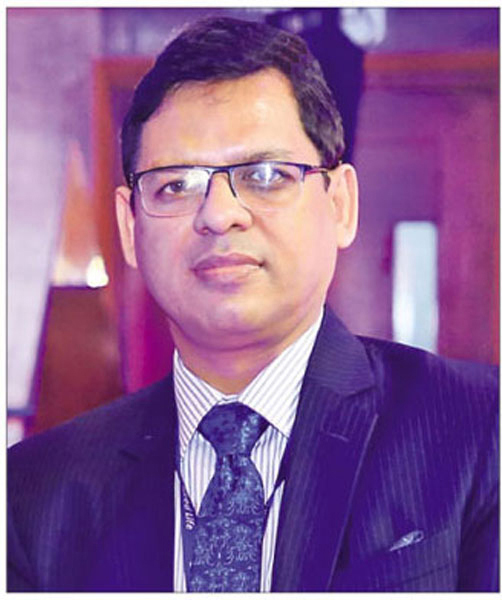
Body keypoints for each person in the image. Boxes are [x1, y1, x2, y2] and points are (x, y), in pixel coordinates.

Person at [8, 16, 498, 592]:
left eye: (265, 175)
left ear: (340, 204)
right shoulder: (33, 494)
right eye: (176, 185)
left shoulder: (478, 432)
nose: (219, 215)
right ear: (130, 226)